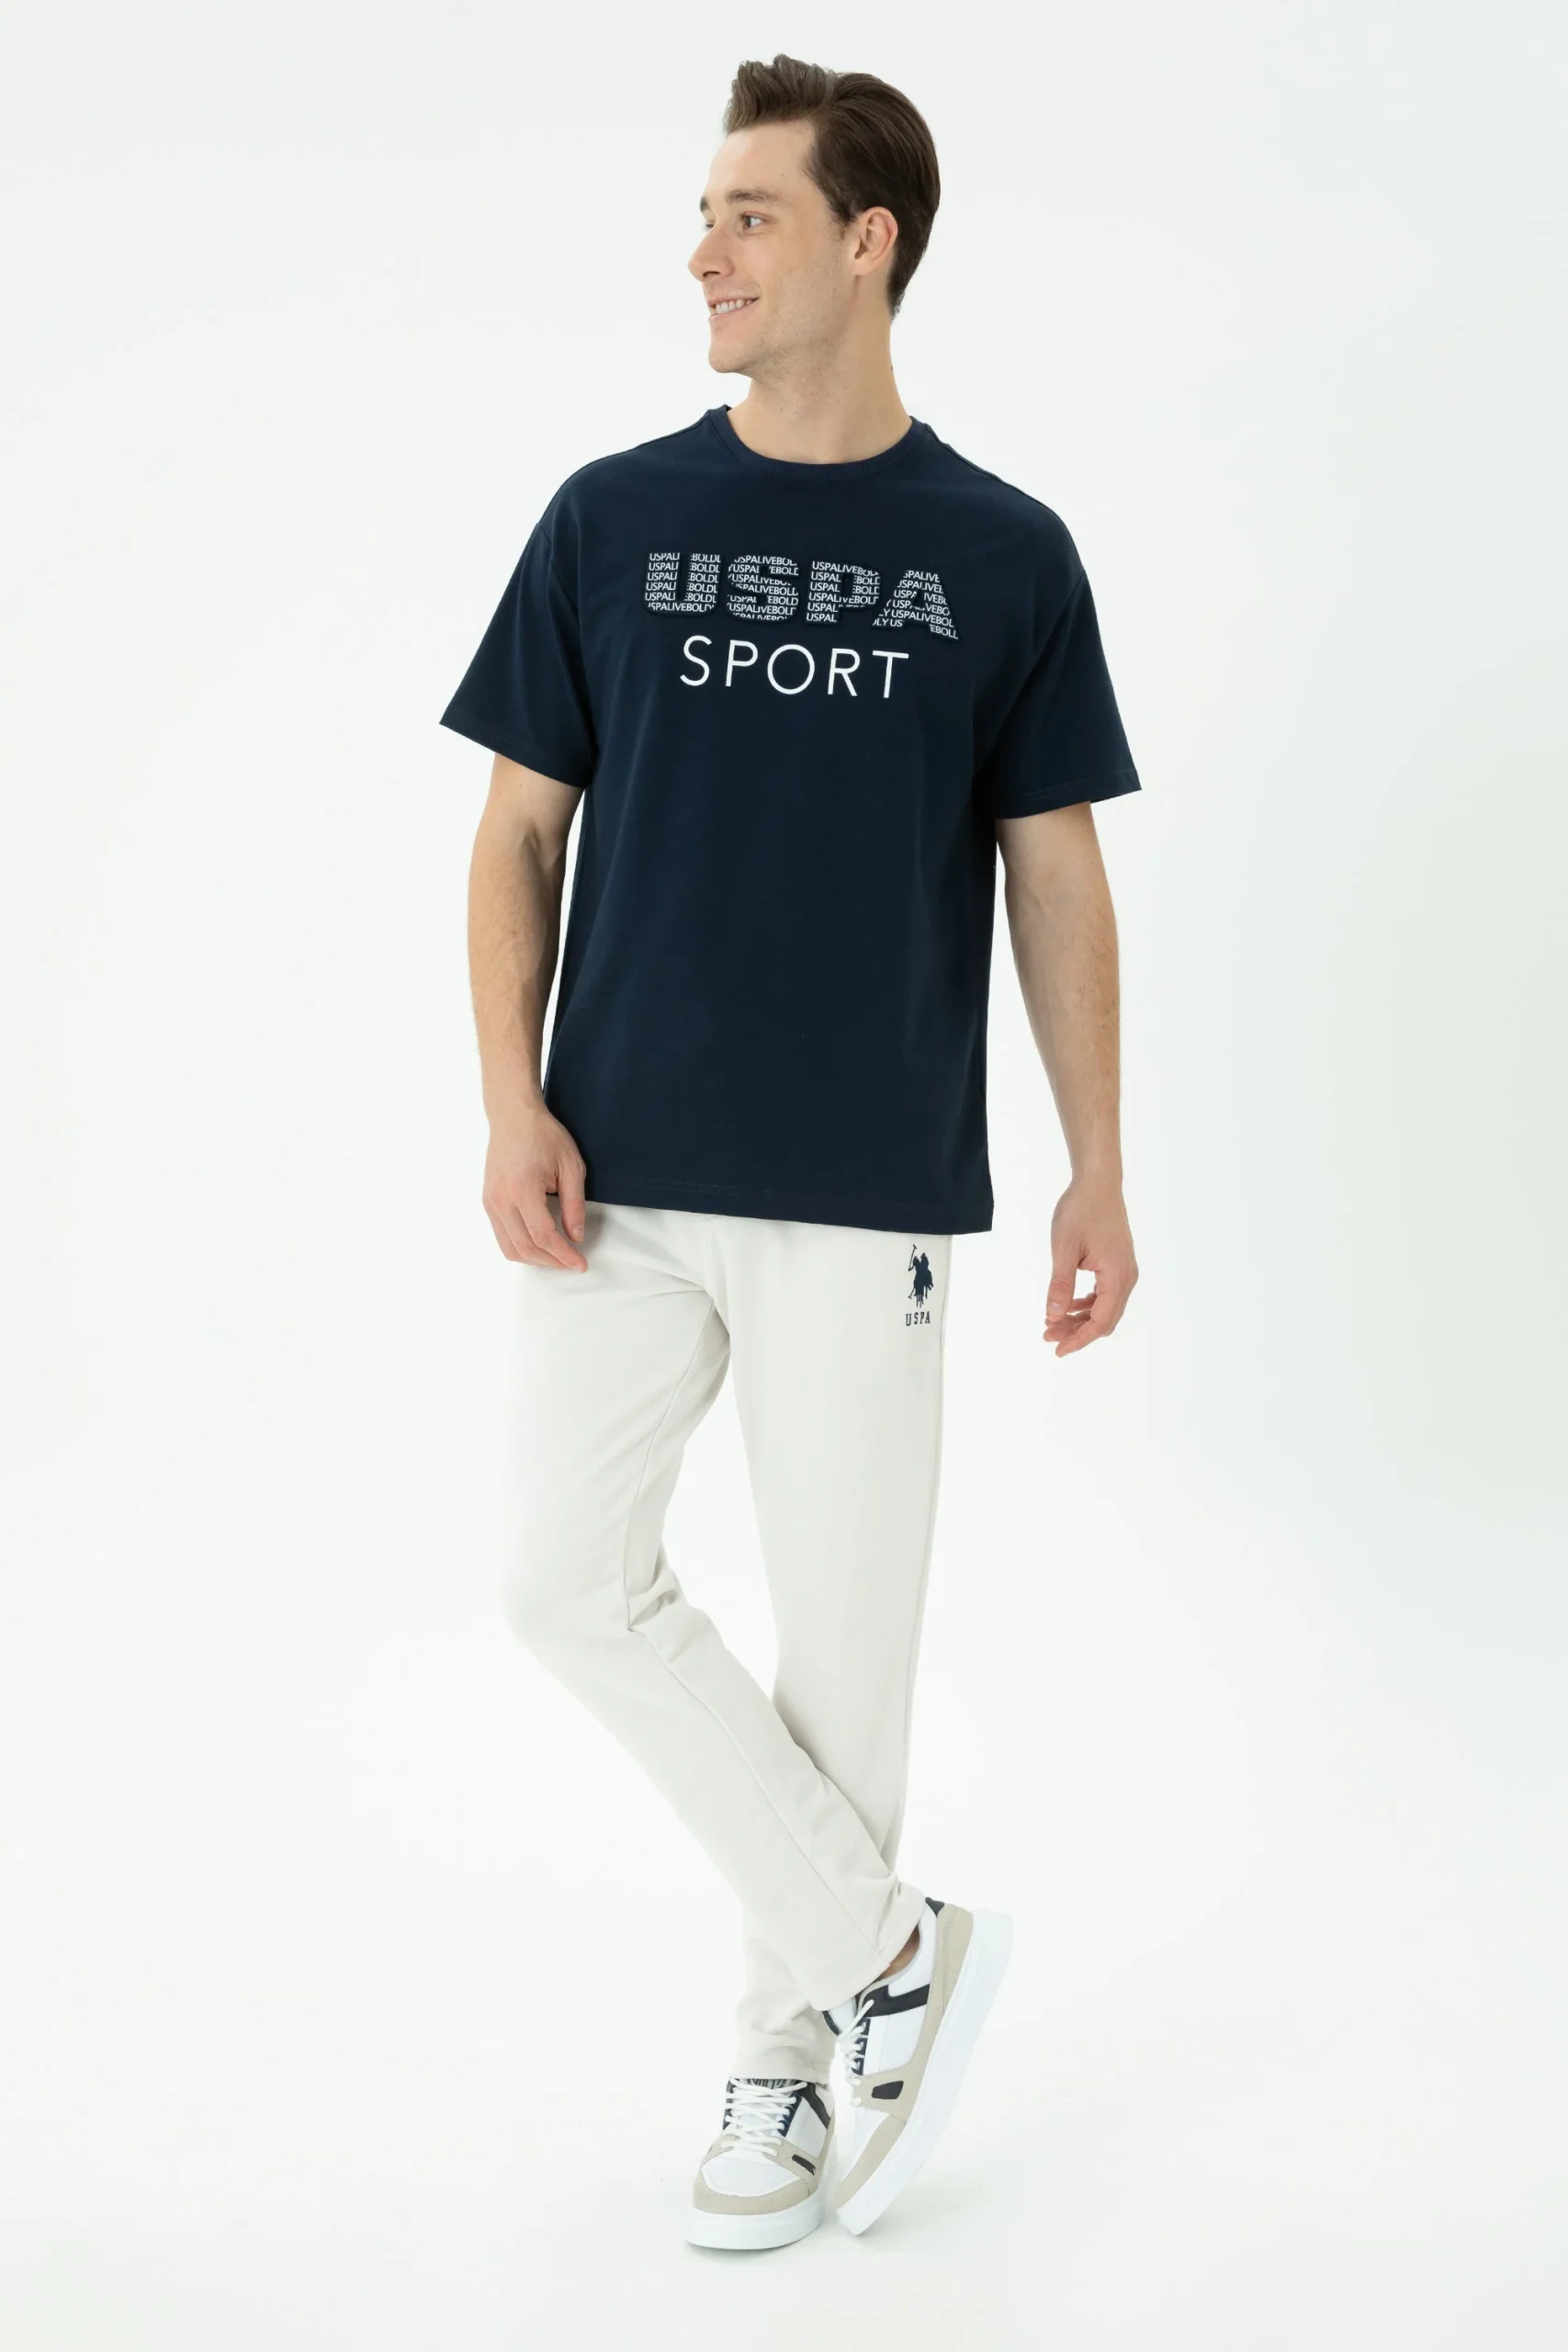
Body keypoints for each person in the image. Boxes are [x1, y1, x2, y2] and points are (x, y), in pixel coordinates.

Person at [438, 52, 1142, 2250]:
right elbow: (514, 836)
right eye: (704, 214)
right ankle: (889, 1951)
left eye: (748, 215)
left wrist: (1098, 1163)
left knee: (844, 1655)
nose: (702, 254)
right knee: (561, 1576)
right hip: (618, 1172)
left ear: (867, 241)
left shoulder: (1002, 551)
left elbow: (1055, 875)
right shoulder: (607, 518)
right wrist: (510, 1096)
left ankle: (781, 2058)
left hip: (867, 1182)